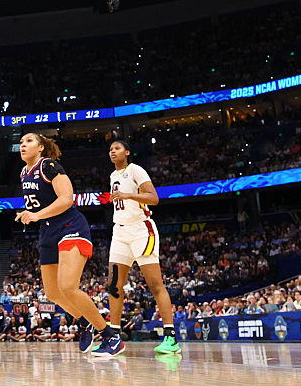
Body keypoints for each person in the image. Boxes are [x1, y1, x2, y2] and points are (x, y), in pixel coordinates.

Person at [14, 133, 124, 358]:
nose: (23, 145)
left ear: (41, 147)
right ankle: (85, 321)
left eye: (29, 141)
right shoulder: (24, 172)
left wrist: (35, 215)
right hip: (48, 232)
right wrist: (34, 216)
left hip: (70, 226)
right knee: (53, 293)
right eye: (22, 142)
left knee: (68, 287)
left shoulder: (49, 166)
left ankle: (111, 337)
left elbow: (67, 199)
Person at [104, 140, 181, 355]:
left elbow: (153, 198)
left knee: (155, 284)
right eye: (110, 149)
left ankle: (170, 337)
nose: (113, 151)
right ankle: (115, 337)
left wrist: (128, 195)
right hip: (119, 231)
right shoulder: (113, 176)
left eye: (117, 148)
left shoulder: (135, 169)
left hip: (141, 230)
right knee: (114, 285)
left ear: (127, 152)